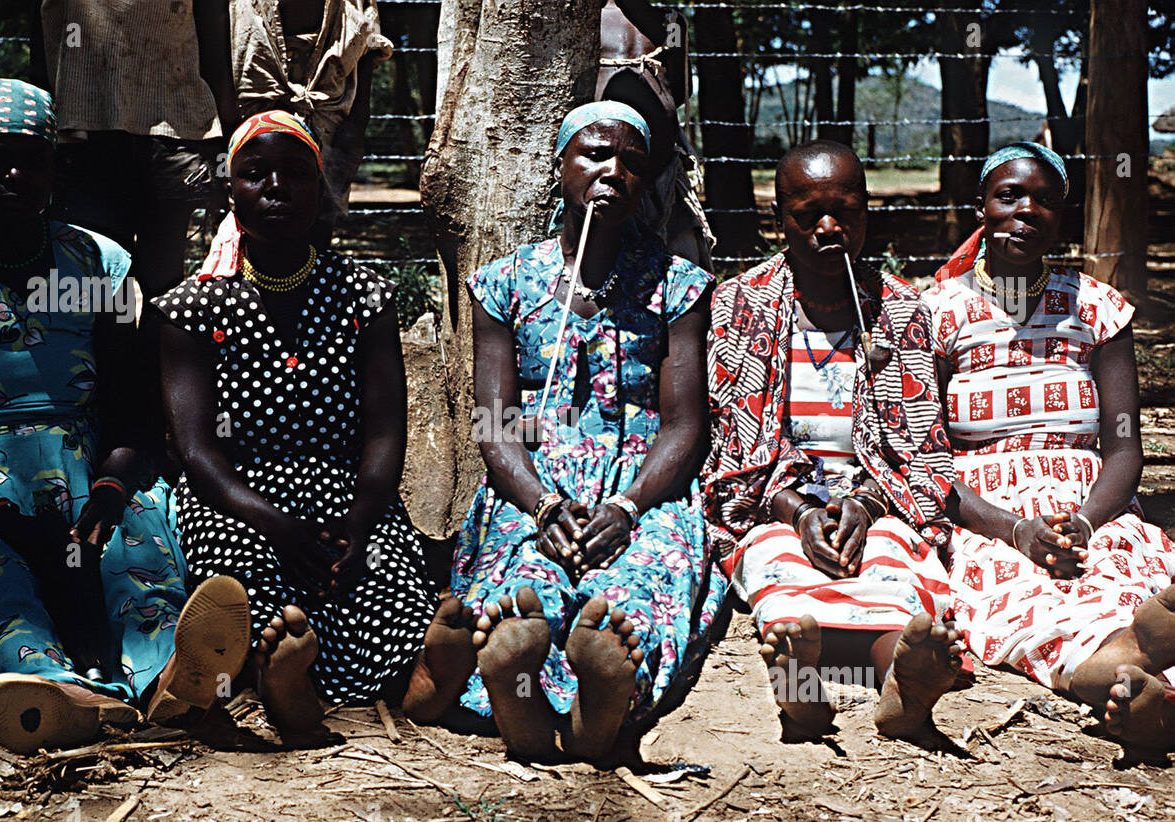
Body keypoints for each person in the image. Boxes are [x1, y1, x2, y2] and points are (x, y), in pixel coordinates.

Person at [0, 79, 250, 754]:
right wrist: (2, 519)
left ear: (56, 168)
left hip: (89, 469)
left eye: (31, 157)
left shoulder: (99, 264)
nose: (15, 172)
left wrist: (110, 491)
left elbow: (133, 412)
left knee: (134, 557)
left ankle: (169, 672)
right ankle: (51, 689)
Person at [403, 101, 727, 763]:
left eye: (631, 163)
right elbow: (493, 423)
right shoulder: (506, 284)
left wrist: (628, 506)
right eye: (595, 155)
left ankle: (597, 705)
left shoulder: (676, 286)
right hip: (533, 486)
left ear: (644, 183)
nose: (613, 171)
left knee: (635, 592)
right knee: (521, 582)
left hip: (643, 488)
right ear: (560, 169)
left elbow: (685, 423)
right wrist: (542, 504)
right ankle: (519, 689)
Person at [154, 110, 435, 748]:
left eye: (295, 174)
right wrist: (279, 526)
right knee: (244, 584)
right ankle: (283, 684)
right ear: (231, 193)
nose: (276, 187)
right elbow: (197, 452)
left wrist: (360, 522)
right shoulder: (191, 308)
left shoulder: (365, 295)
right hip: (237, 500)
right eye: (256, 175)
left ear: (321, 189)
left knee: (385, 575)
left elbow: (386, 433)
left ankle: (416, 678)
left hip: (345, 495)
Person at [703, 141, 961, 743]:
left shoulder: (900, 310)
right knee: (775, 568)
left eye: (845, 211)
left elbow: (924, 450)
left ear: (867, 215)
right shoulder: (740, 306)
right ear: (777, 219)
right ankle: (803, 687)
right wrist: (795, 511)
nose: (828, 228)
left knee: (897, 568)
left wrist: (866, 507)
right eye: (807, 213)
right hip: (774, 506)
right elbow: (732, 452)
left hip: (879, 502)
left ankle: (901, 680)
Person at [925, 142, 1175, 755]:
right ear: (981, 204)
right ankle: (1134, 671)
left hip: (1095, 506)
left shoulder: (1095, 307)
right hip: (987, 516)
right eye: (1009, 196)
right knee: (1032, 602)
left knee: (1124, 576)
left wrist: (1086, 523)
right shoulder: (935, 312)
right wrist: (1017, 532)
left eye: (1044, 201)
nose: (1026, 211)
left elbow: (1123, 450)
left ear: (1060, 215)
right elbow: (925, 463)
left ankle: (1141, 681)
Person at [32, 0, 239, 298]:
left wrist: (223, 127)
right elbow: (45, 27)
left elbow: (213, 24)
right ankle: (120, 342)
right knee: (102, 280)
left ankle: (153, 342)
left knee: (161, 280)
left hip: (169, 125)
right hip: (88, 127)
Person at [227, 0, 392, 245]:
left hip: (329, 128)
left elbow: (367, 50)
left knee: (317, 227)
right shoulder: (239, 7)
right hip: (249, 127)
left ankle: (314, 279)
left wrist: (355, 131)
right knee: (247, 232)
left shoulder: (354, 5)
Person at [596, 0, 713, 271]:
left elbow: (682, 86)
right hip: (605, 160)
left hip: (661, 163)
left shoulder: (672, 22)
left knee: (681, 254)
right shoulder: (588, 18)